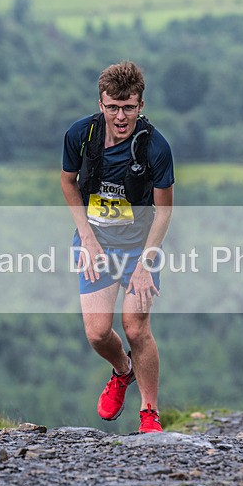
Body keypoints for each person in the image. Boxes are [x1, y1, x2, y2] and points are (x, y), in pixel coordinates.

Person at [61, 61, 174, 433]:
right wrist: (88, 239)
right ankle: (122, 371)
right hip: (95, 242)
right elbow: (68, 183)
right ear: (101, 103)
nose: (120, 116)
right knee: (96, 332)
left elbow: (164, 210)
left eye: (128, 107)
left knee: (136, 328)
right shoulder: (81, 134)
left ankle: (149, 412)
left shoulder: (156, 147)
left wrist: (145, 263)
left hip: (140, 246)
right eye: (112, 107)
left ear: (141, 105)